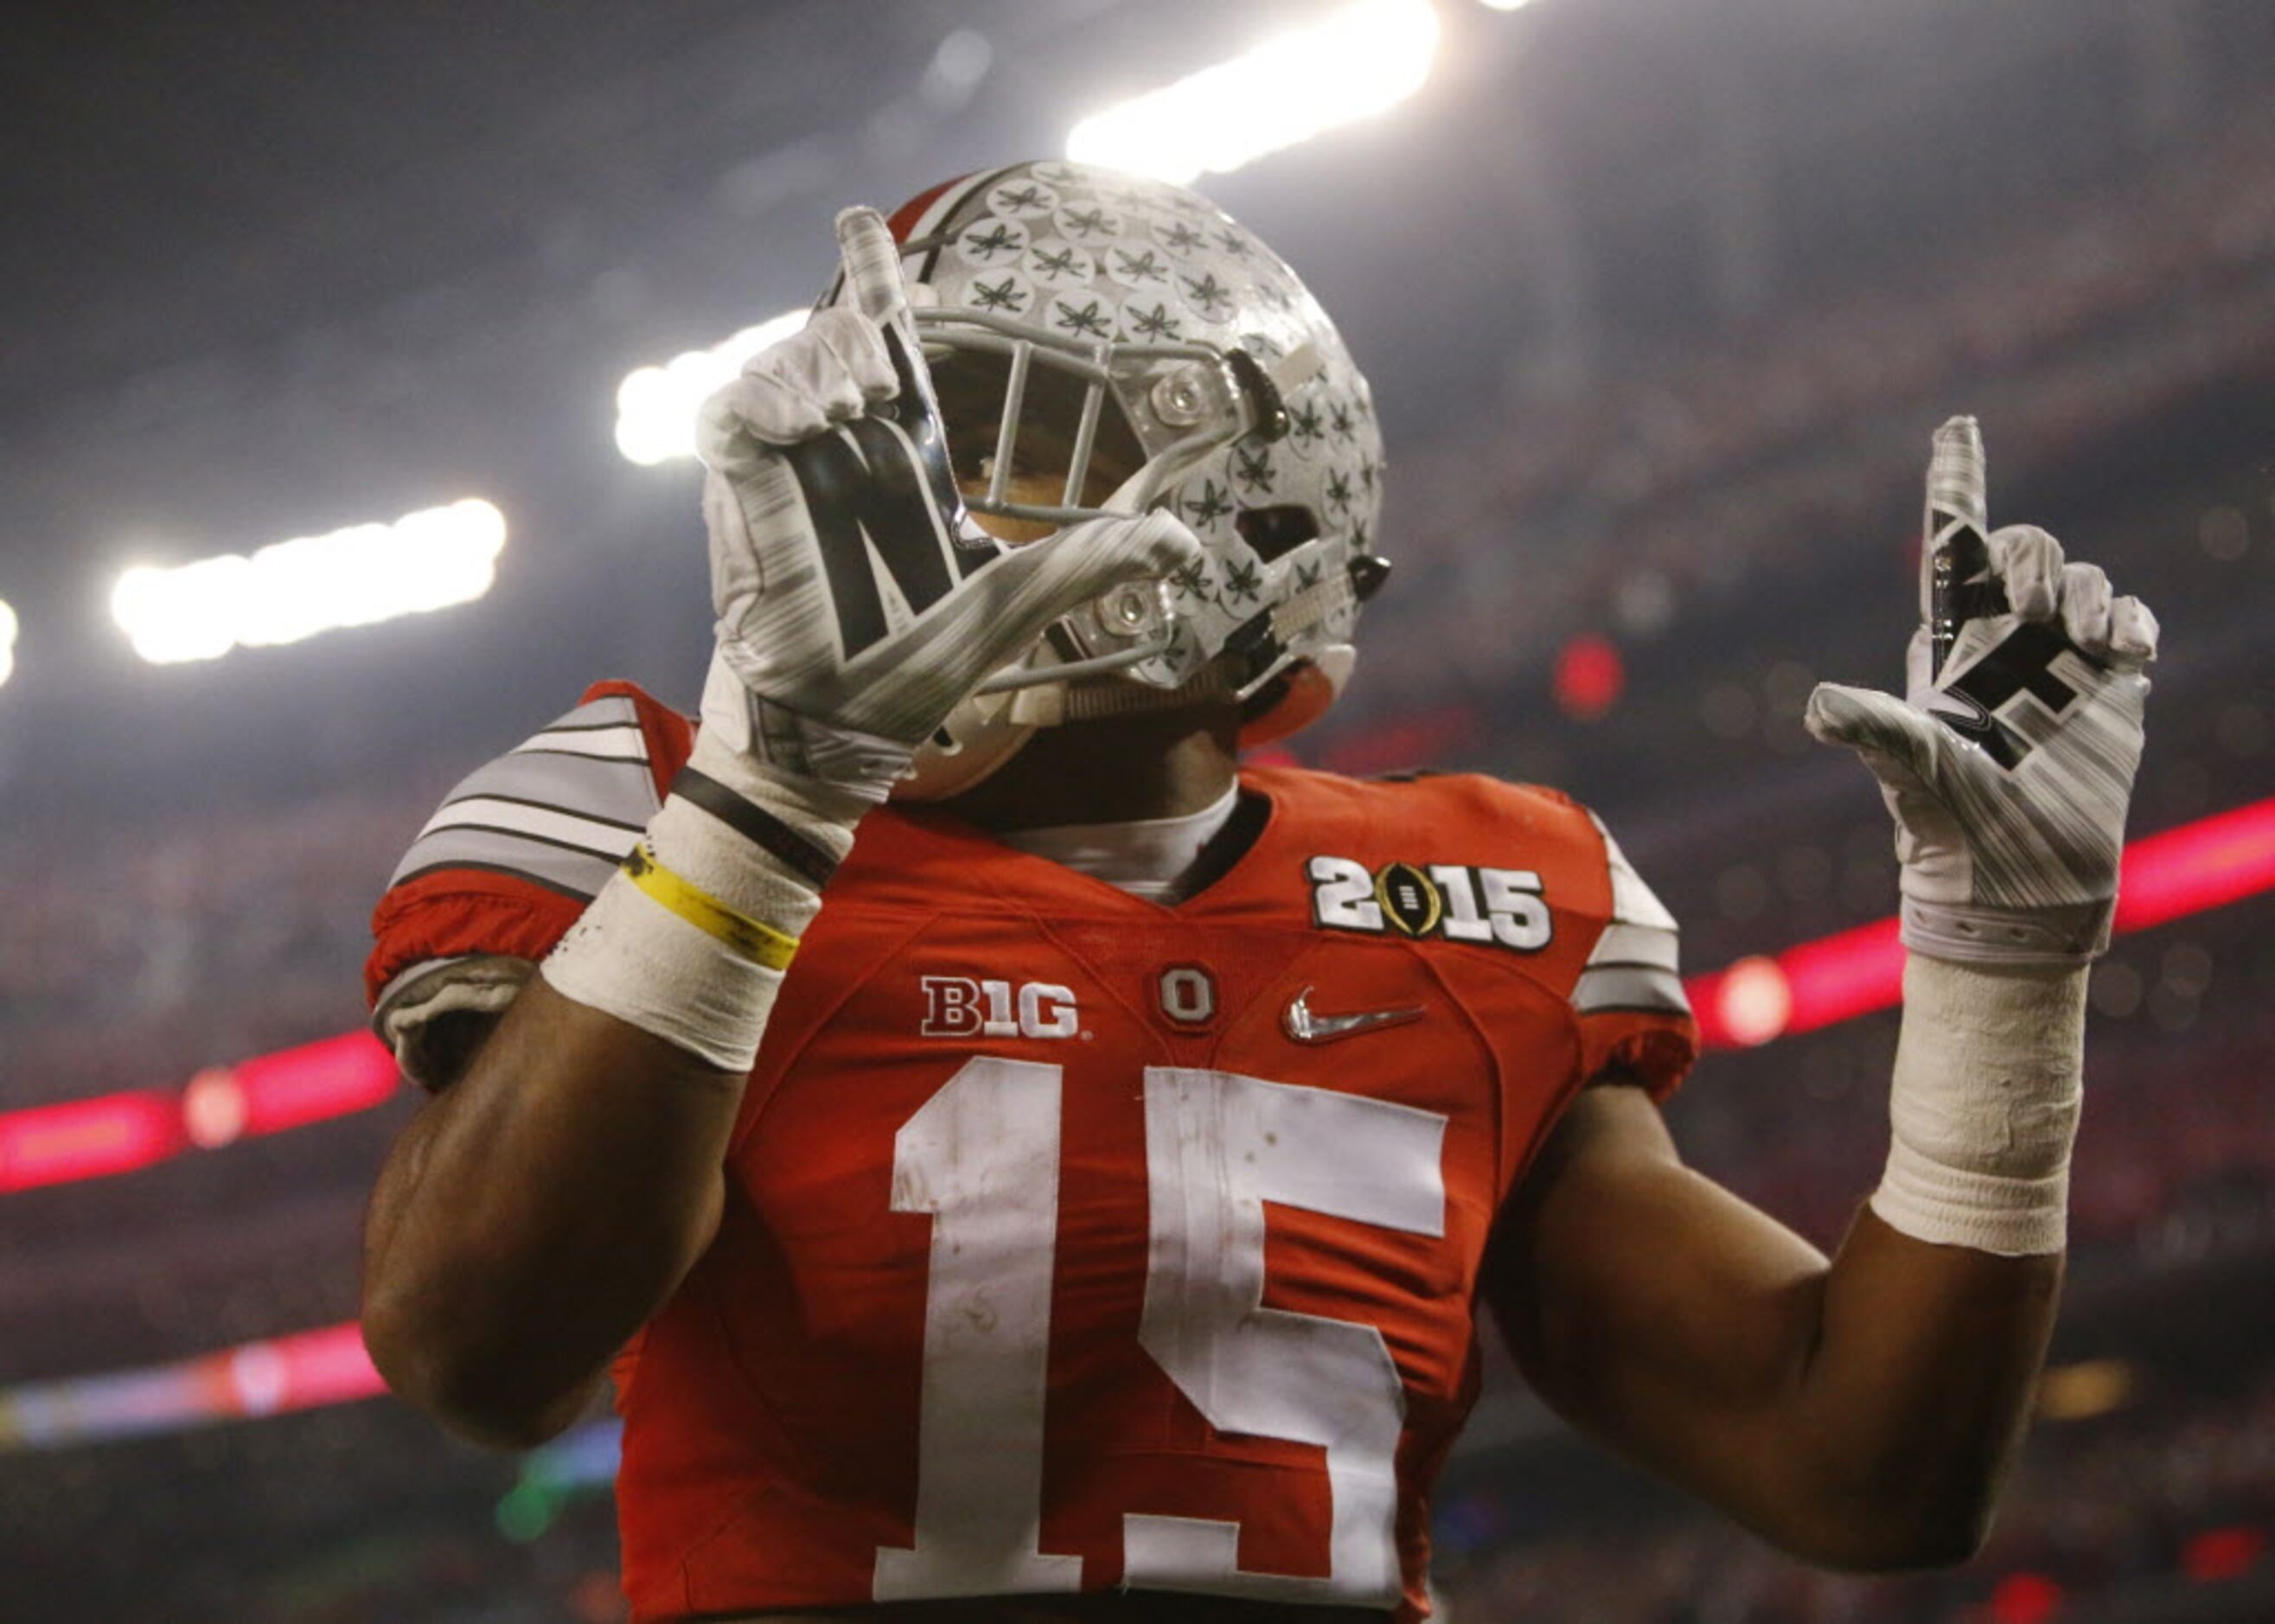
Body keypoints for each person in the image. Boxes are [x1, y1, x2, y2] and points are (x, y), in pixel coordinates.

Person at [358, 161, 2158, 1622]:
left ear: (1256, 518)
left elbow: (1855, 1473)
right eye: (889, 440)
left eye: (997, 442)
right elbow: (477, 1361)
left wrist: (2001, 979)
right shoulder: (653, 811)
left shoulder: (1486, 897)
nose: (909, 511)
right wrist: (762, 810)